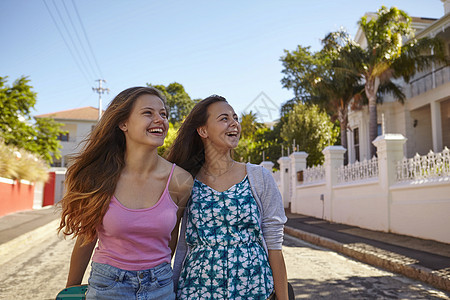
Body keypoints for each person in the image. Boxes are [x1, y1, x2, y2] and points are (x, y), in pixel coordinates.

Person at [57, 86, 193, 299]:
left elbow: (171, 237)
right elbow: (86, 237)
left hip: (161, 287)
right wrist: (69, 291)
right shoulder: (100, 176)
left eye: (163, 114)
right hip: (107, 286)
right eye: (148, 113)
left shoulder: (181, 181)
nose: (160, 119)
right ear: (123, 123)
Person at [167, 95, 289, 300]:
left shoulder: (259, 177)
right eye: (224, 118)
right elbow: (169, 240)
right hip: (196, 292)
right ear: (203, 131)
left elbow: (275, 244)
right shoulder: (184, 180)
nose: (234, 123)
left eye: (235, 118)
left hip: (255, 291)